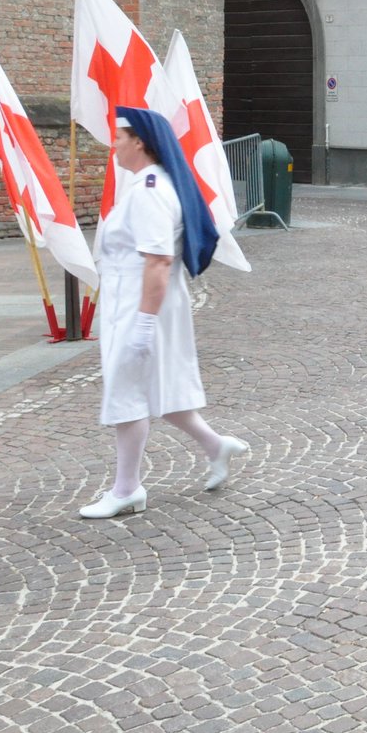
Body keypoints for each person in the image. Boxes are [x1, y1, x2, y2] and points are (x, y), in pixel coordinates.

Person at [79, 107, 248, 518]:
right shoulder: (147, 185)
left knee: (128, 395)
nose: (113, 144)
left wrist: (142, 323)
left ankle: (126, 489)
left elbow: (157, 260)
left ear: (139, 142)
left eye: (119, 136)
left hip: (142, 304)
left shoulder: (151, 189)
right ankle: (215, 445)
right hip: (145, 301)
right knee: (159, 388)